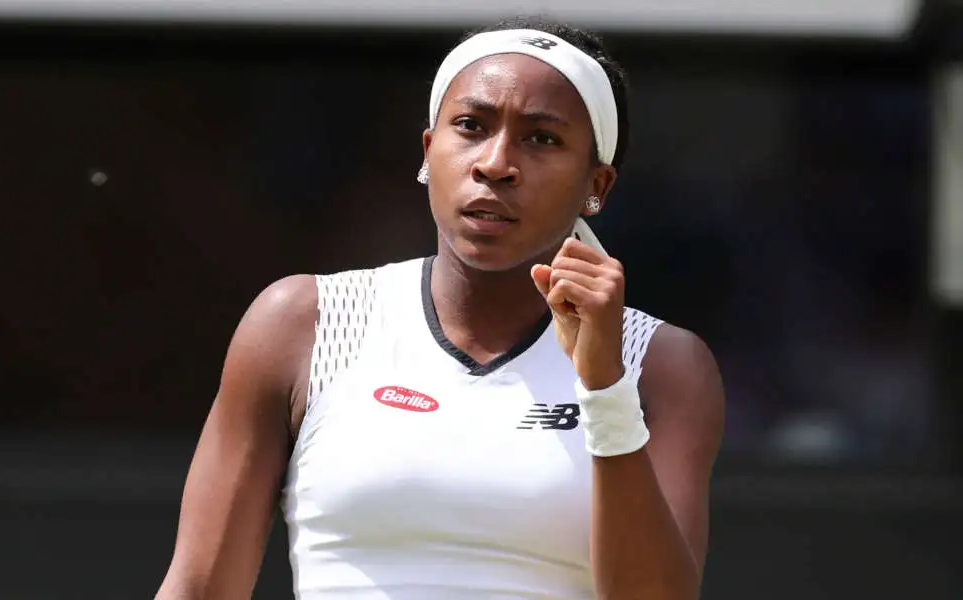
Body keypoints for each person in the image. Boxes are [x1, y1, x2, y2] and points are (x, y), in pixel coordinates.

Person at [155, 15, 725, 600]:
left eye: (542, 138)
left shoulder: (661, 365)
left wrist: (605, 390)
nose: (495, 163)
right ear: (429, 150)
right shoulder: (304, 321)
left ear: (596, 185)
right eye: (471, 126)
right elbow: (198, 588)